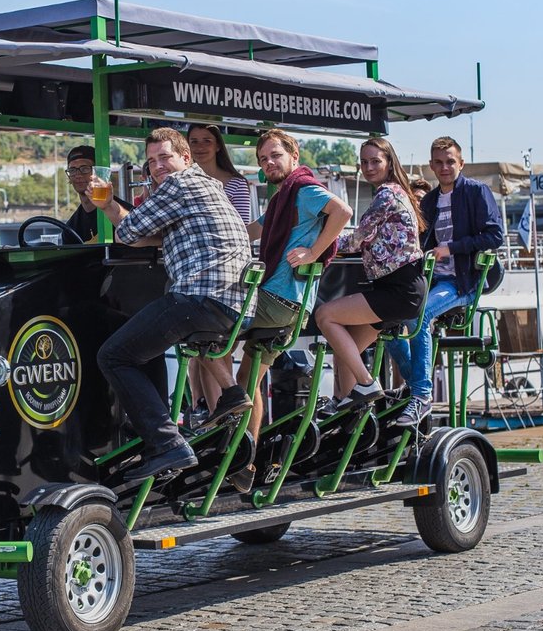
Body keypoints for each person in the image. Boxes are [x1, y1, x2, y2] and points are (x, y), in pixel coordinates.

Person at [95, 128, 255, 480]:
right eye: (151, 161)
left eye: (164, 157)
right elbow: (148, 236)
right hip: (234, 304)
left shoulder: (178, 185)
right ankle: (229, 393)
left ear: (186, 158)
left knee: (114, 356)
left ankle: (166, 444)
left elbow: (129, 233)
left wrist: (106, 204)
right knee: (156, 339)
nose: (157, 166)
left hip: (201, 296)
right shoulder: (211, 186)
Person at [222, 130, 352, 492]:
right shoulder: (282, 198)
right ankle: (245, 461)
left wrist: (313, 253)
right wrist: (222, 236)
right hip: (286, 306)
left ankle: (219, 420)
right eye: (263, 159)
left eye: (275, 155)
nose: (269, 164)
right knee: (250, 375)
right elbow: (253, 230)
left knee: (202, 322)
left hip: (280, 300)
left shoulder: (303, 190)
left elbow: (343, 211)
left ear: (293, 155)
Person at [386, 136, 505, 426]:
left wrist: (450, 248)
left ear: (460, 163)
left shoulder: (477, 192)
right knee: (386, 323)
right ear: (431, 166)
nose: (445, 167)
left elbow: (495, 236)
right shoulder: (428, 200)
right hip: (432, 279)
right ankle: (416, 385)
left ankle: (421, 395)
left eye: (450, 161)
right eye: (438, 162)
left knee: (421, 314)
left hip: (463, 282)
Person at [315, 138, 427, 409]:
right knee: (346, 348)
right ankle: (346, 407)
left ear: (389, 163)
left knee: (324, 315)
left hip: (399, 290)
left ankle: (366, 384)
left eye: (375, 161)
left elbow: (357, 239)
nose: (369, 167)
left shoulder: (388, 194)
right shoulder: (397, 192)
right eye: (364, 162)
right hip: (398, 289)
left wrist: (315, 246)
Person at [186, 125, 253, 417]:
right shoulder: (182, 182)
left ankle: (217, 417)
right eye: (194, 141)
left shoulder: (234, 184)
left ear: (217, 146)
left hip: (228, 278)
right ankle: (202, 409)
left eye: (206, 141)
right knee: (197, 349)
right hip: (193, 274)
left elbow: (243, 231)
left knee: (213, 347)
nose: (200, 146)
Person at [62, 144, 133, 243]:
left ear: (98, 173)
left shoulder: (128, 216)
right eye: (72, 170)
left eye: (85, 168)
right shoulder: (70, 228)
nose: (78, 175)